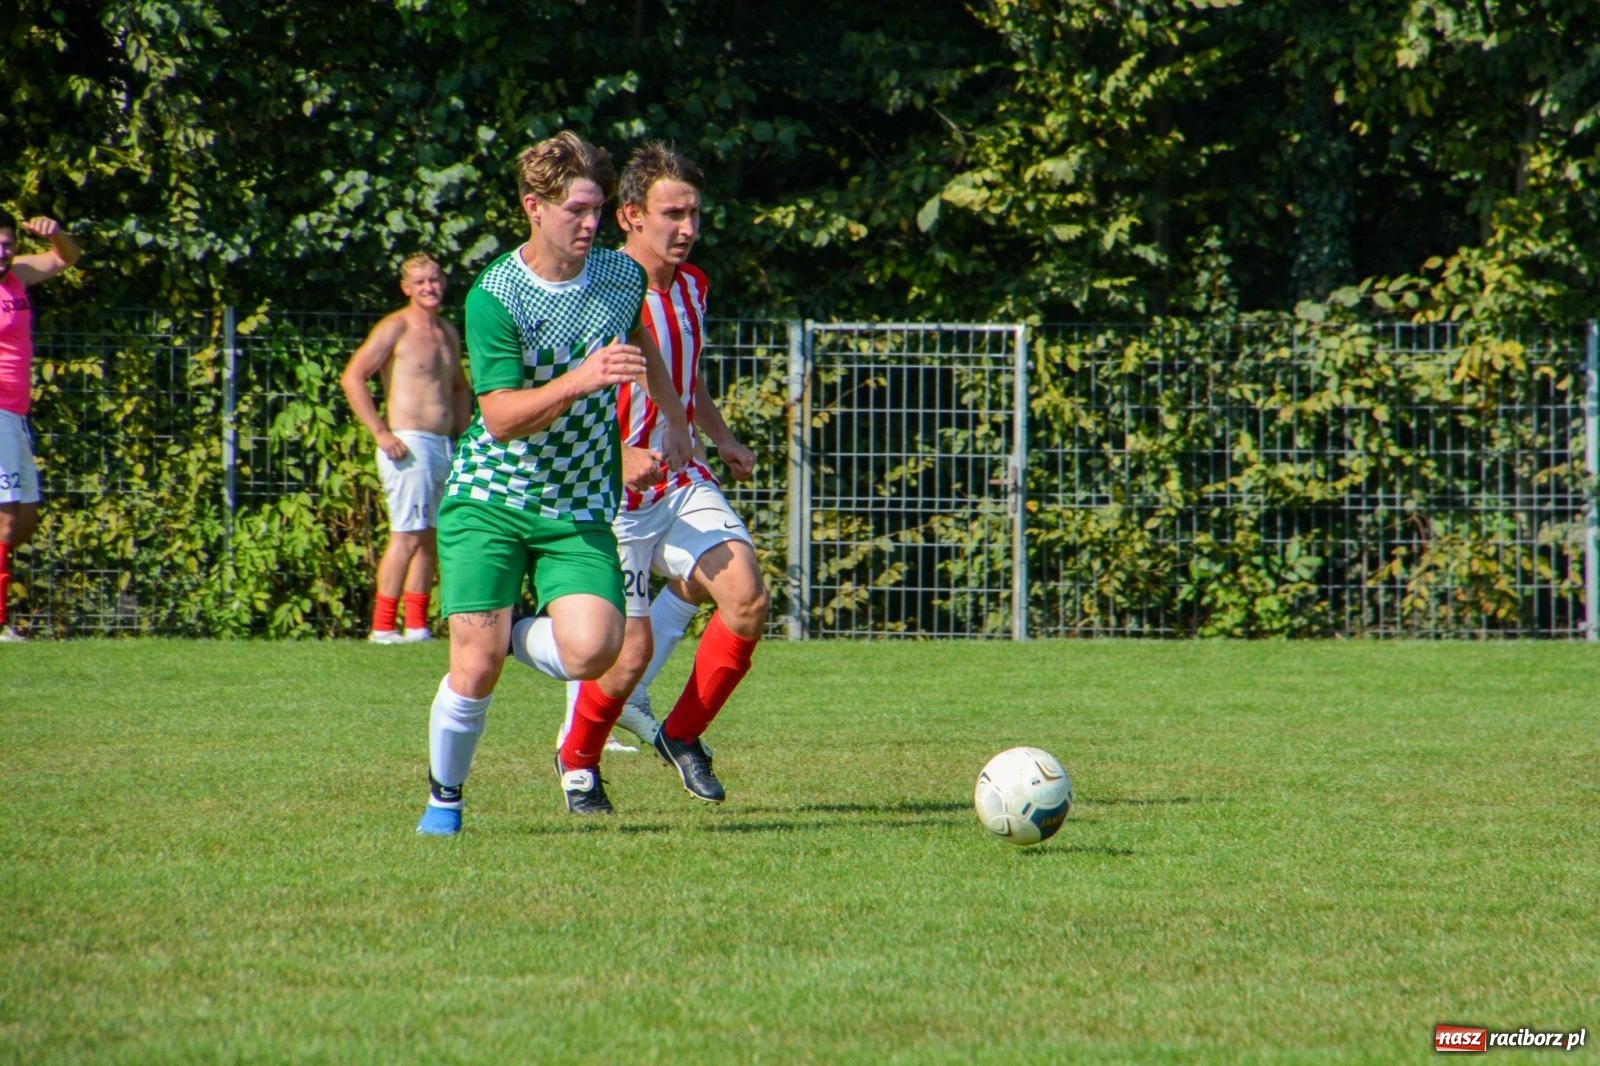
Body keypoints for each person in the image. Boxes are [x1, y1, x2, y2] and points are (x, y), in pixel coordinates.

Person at [416, 131, 692, 835]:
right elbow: (501, 418)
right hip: (492, 498)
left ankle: (504, 633)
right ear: (533, 207)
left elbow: (639, 341)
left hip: (578, 503)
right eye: (576, 210)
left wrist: (672, 417)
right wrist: (579, 381)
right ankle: (444, 801)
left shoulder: (621, 276)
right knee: (474, 670)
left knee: (595, 650)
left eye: (597, 208)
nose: (591, 223)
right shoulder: (495, 296)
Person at [556, 142, 769, 804]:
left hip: (678, 479)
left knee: (747, 597)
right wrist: (616, 455)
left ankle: (681, 735)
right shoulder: (594, 291)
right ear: (631, 216)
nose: (686, 228)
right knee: (627, 658)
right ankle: (578, 759)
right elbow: (561, 395)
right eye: (672, 214)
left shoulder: (694, 285)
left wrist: (721, 439)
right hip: (608, 492)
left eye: (694, 214)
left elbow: (686, 375)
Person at [340, 253, 470, 644]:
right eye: (421, 282)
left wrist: (466, 438)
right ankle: (382, 627)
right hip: (407, 445)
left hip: (442, 445)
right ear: (406, 288)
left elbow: (458, 387)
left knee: (430, 537)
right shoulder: (395, 326)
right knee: (407, 535)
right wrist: (380, 432)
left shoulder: (446, 330)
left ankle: (416, 626)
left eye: (435, 279)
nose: (430, 287)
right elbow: (353, 377)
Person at [0, 211, 82, 643]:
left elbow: (67, 258)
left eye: (7, 243)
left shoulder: (18, 275)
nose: (2, 252)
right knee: (6, 523)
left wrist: (56, 234)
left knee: (25, 522)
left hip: (15, 415)